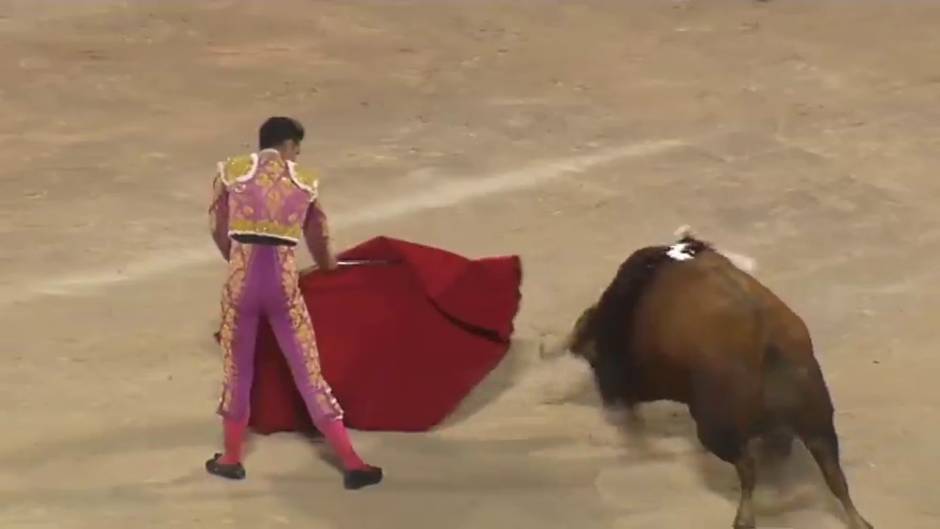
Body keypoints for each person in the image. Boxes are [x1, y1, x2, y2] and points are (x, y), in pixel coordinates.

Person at [205, 116, 383, 490]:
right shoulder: (304, 181)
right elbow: (319, 238)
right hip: (284, 289)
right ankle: (353, 463)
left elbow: (217, 228)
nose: (298, 155)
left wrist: (235, 260)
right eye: (297, 148)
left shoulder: (230, 172)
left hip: (241, 287)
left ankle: (232, 458)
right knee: (308, 374)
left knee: (239, 372)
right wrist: (327, 267)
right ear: (288, 145)